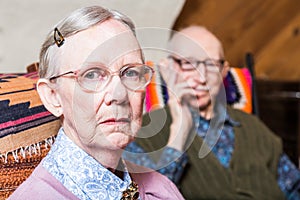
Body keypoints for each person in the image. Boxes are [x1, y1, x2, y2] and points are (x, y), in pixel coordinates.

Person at [8, 6, 184, 200]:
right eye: (92, 74)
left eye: (131, 72)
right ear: (52, 96)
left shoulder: (161, 188)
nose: (120, 95)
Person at [124, 26, 300, 200]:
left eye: (210, 65)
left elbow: (294, 188)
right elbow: (145, 196)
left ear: (223, 71)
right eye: (188, 63)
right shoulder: (141, 135)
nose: (201, 78)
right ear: (167, 68)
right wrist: (180, 132)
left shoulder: (254, 127)